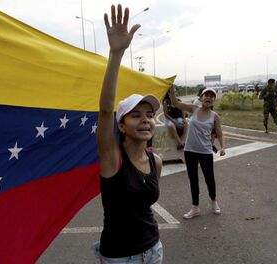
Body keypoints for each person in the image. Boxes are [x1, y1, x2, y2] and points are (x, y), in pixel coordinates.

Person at [96, 5, 163, 263]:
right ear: (121, 125)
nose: (145, 119)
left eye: (148, 114)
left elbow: (143, 207)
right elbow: (104, 111)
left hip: (153, 249)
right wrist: (116, 53)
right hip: (120, 257)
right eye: (135, 115)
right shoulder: (113, 158)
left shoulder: (155, 161)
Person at [169, 86, 226, 219]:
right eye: (206, 95)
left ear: (214, 100)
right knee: (193, 179)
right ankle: (195, 208)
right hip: (190, 151)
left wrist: (223, 147)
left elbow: (220, 133)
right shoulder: (193, 109)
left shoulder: (214, 116)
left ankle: (214, 202)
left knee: (209, 179)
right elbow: (176, 103)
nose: (209, 97)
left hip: (205, 152)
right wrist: (172, 92)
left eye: (212, 96)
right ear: (201, 98)